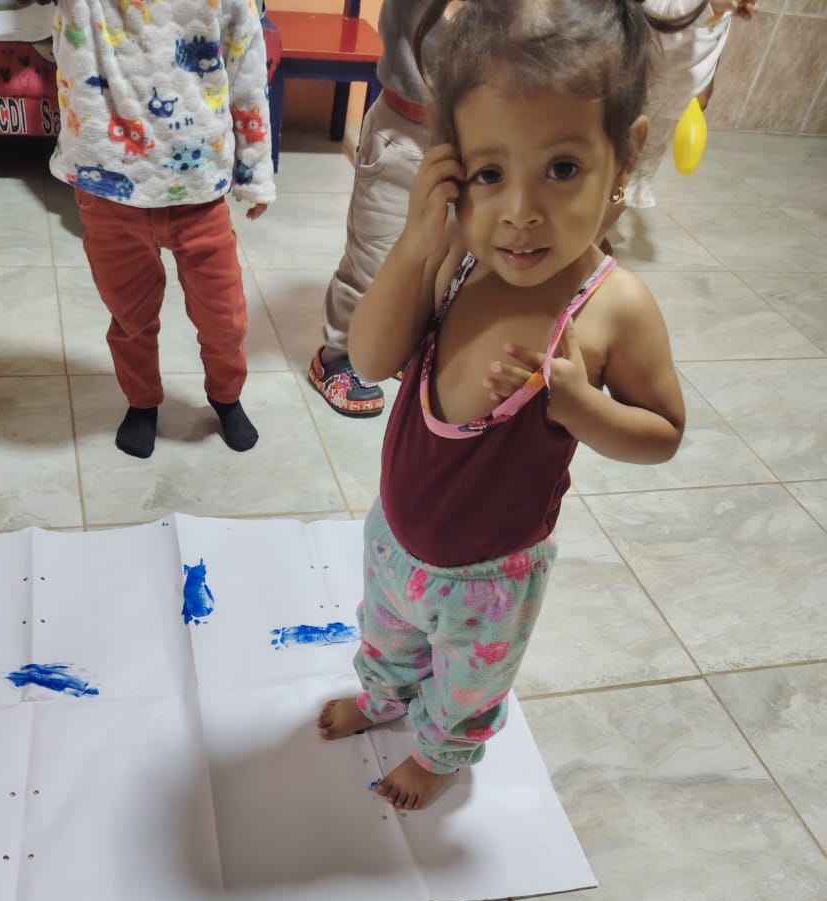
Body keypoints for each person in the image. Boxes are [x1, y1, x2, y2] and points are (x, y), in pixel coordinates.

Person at [317, 0, 687, 810]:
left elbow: (663, 432)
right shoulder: (459, 252)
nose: (520, 210)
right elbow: (371, 361)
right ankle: (382, 698)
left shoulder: (613, 308)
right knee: (385, 638)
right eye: (489, 174)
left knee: (465, 685)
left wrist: (581, 406)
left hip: (489, 581)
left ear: (624, 158)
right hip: (395, 541)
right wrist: (416, 245)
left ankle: (438, 755)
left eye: (562, 168)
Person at [48, 0, 275, 458]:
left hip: (199, 189)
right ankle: (142, 401)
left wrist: (254, 170)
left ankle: (226, 396)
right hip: (109, 184)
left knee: (225, 319)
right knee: (130, 317)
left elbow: (247, 64)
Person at [306, 0, 448, 418]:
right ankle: (339, 354)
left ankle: (405, 342)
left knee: (443, 259)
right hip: (404, 134)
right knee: (373, 257)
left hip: (479, 139)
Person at [603, 0, 755, 236]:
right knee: (611, 172)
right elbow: (655, 20)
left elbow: (712, 40)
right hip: (642, 93)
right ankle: (587, 240)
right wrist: (709, 6)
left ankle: (597, 235)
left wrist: (706, 84)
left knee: (633, 178)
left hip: (669, 103)